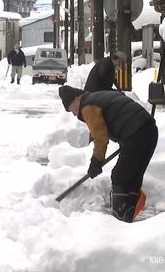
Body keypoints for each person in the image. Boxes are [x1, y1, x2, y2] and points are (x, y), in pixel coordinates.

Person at [58, 85, 158, 223]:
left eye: (71, 109)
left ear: (76, 100)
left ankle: (119, 222)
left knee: (120, 176)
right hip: (149, 129)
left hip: (135, 133)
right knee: (132, 178)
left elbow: (100, 138)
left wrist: (96, 162)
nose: (74, 114)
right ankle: (126, 220)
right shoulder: (99, 96)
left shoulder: (88, 106)